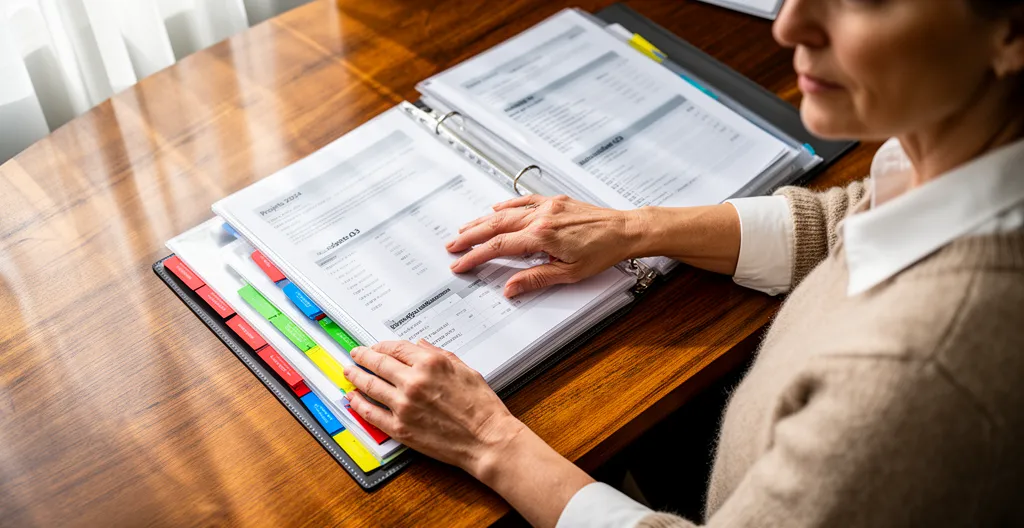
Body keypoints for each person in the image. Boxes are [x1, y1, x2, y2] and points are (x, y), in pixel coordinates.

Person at [343, 0, 1024, 525]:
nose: (788, 26)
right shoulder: (955, 150)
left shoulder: (916, 380)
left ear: (1011, 32)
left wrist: (487, 440)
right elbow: (851, 214)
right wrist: (636, 228)